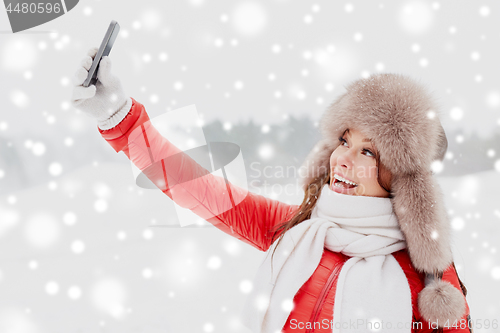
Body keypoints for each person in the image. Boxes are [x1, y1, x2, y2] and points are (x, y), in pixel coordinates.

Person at [71, 47, 472, 333]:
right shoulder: (298, 232)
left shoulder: (430, 278)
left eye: (368, 150)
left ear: (400, 176)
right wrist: (119, 116)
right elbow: (196, 186)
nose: (343, 160)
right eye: (343, 142)